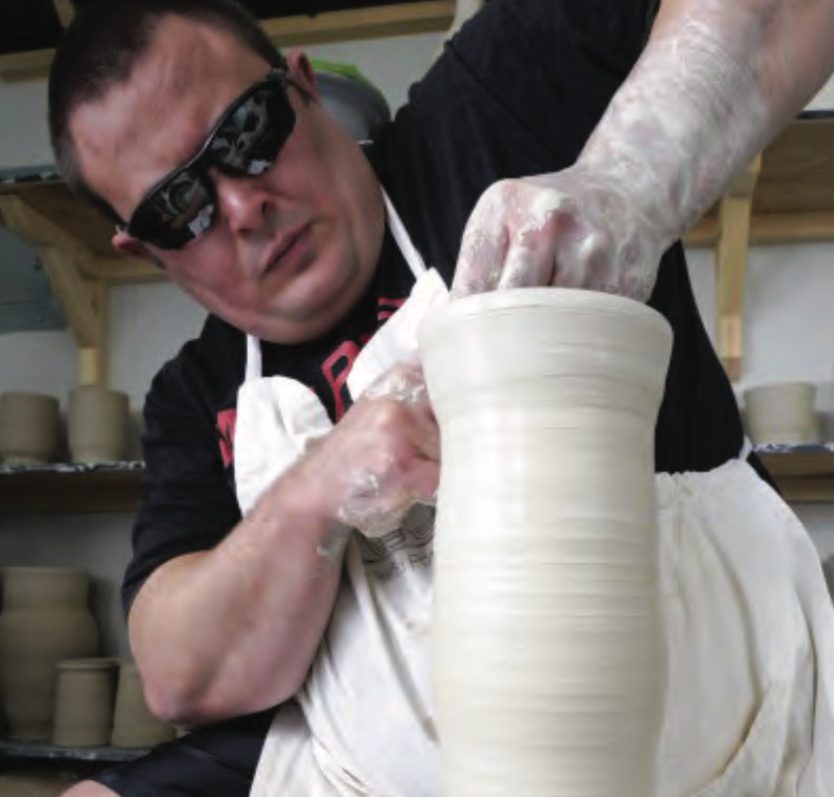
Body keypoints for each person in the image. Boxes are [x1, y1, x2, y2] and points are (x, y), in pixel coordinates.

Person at [46, 0, 834, 795]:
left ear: (303, 91)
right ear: (145, 250)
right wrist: (323, 488)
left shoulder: (496, 109)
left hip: (724, 725)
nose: (246, 209)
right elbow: (179, 676)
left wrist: (632, 176)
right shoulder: (195, 394)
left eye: (247, 135)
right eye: (181, 207)